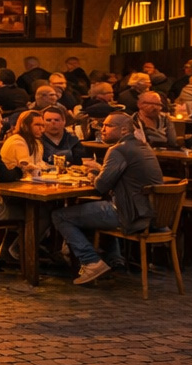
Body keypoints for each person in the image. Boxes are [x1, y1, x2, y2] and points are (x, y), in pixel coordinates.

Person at [52, 113, 164, 284]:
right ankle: (114, 259)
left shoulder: (118, 150)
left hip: (130, 215)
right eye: (102, 126)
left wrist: (92, 173)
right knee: (95, 208)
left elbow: (100, 186)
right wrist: (100, 171)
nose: (102, 130)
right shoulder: (143, 146)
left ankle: (91, 262)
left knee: (60, 216)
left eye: (108, 126)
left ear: (124, 130)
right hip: (152, 215)